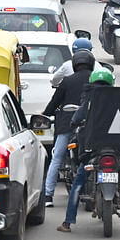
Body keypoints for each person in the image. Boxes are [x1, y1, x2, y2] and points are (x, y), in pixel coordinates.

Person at [57, 67, 113, 233]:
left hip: (93, 150)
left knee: (78, 183)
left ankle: (68, 222)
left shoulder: (89, 100)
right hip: (116, 147)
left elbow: (76, 118)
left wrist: (74, 123)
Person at [41, 49, 95, 207]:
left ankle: (48, 196)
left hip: (67, 125)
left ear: (74, 64)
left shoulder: (67, 81)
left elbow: (53, 104)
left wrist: (45, 113)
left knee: (56, 157)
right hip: (90, 127)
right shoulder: (96, 82)